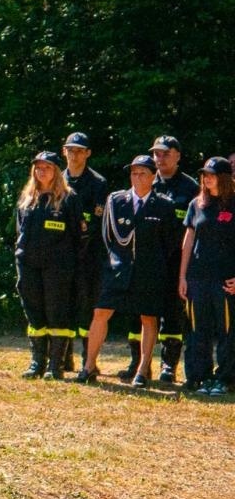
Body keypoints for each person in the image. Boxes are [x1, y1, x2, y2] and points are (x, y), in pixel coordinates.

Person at [76, 156, 180, 387]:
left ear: (153, 176)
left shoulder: (164, 205)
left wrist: (152, 261)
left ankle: (143, 370)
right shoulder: (116, 200)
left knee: (148, 318)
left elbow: (171, 241)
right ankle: (88, 366)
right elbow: (107, 237)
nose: (137, 177)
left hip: (148, 270)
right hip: (118, 269)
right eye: (133, 173)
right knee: (100, 313)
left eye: (142, 173)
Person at [13, 151, 83, 380]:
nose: (41, 171)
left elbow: (77, 235)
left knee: (57, 312)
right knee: (34, 313)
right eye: (38, 167)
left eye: (47, 167)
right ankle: (37, 362)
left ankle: (56, 365)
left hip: (58, 266)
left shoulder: (69, 199)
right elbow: (20, 230)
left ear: (56, 171)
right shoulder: (27, 198)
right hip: (28, 263)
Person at [178, 156, 235, 396]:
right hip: (197, 278)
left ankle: (225, 378)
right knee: (196, 329)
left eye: (211, 174)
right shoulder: (196, 204)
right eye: (204, 174)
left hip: (225, 280)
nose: (206, 178)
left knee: (226, 331)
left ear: (224, 178)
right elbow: (189, 241)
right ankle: (198, 376)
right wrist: (182, 276)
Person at [150, 135, 199, 383]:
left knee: (173, 313)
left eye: (166, 153)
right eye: (157, 153)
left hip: (177, 263)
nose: (160, 158)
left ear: (178, 156)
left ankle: (168, 365)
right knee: (144, 311)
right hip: (149, 261)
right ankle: (140, 362)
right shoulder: (147, 181)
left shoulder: (191, 188)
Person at [61, 133, 108, 371]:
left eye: (80, 150)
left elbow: (97, 223)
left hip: (89, 256)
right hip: (62, 256)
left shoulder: (98, 183)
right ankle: (63, 356)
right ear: (64, 151)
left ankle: (88, 361)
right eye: (71, 149)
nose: (75, 154)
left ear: (88, 153)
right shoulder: (57, 180)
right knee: (64, 304)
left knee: (88, 307)